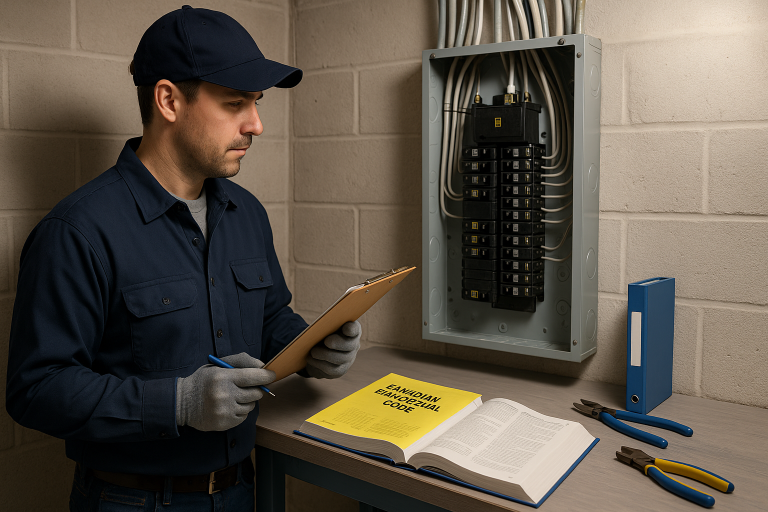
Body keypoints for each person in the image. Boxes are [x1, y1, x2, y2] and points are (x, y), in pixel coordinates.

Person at [5, 6, 361, 511]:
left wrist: (311, 346)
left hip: (241, 491)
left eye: (256, 104)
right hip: (133, 500)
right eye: (235, 103)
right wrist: (177, 403)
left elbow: (269, 318)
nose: (256, 124)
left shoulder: (246, 213)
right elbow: (36, 389)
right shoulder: (78, 231)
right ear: (169, 100)